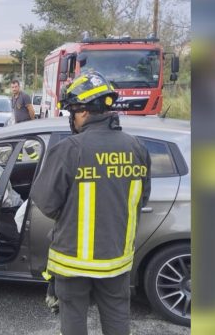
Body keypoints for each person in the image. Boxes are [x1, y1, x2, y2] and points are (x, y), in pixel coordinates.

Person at [30, 72, 151, 335]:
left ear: (83, 112)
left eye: (72, 112)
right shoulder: (137, 148)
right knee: (118, 317)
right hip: (117, 259)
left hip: (73, 261)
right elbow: (142, 198)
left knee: (73, 319)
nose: (71, 118)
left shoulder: (69, 149)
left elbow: (46, 204)